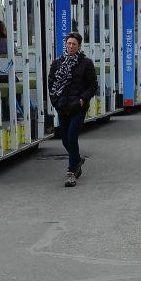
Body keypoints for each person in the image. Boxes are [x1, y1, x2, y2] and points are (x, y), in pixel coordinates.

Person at [48, 31, 97, 187]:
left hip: (77, 107)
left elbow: (92, 85)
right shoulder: (57, 63)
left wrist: (83, 99)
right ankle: (76, 159)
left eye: (74, 44)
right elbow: (51, 83)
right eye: (68, 43)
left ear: (79, 46)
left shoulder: (86, 63)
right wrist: (55, 101)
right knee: (64, 139)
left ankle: (71, 172)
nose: (70, 46)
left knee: (71, 137)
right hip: (62, 106)